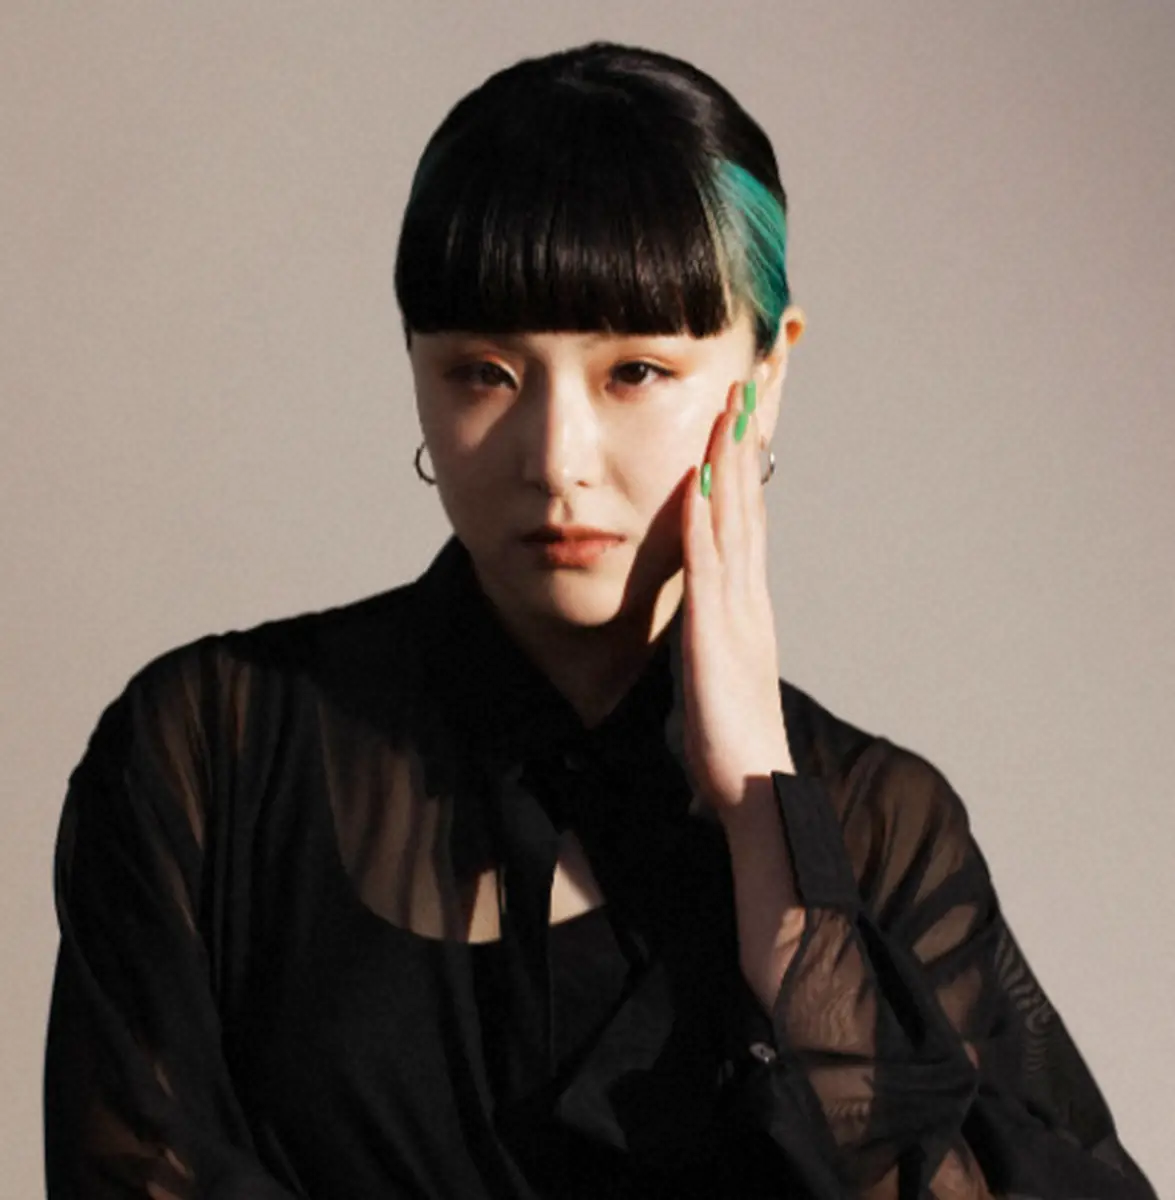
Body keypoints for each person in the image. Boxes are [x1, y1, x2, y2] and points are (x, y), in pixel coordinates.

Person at [43, 41, 1156, 1200]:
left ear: (765, 375)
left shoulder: (880, 826)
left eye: (634, 372)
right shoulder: (209, 754)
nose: (555, 459)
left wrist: (768, 834)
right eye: (484, 372)